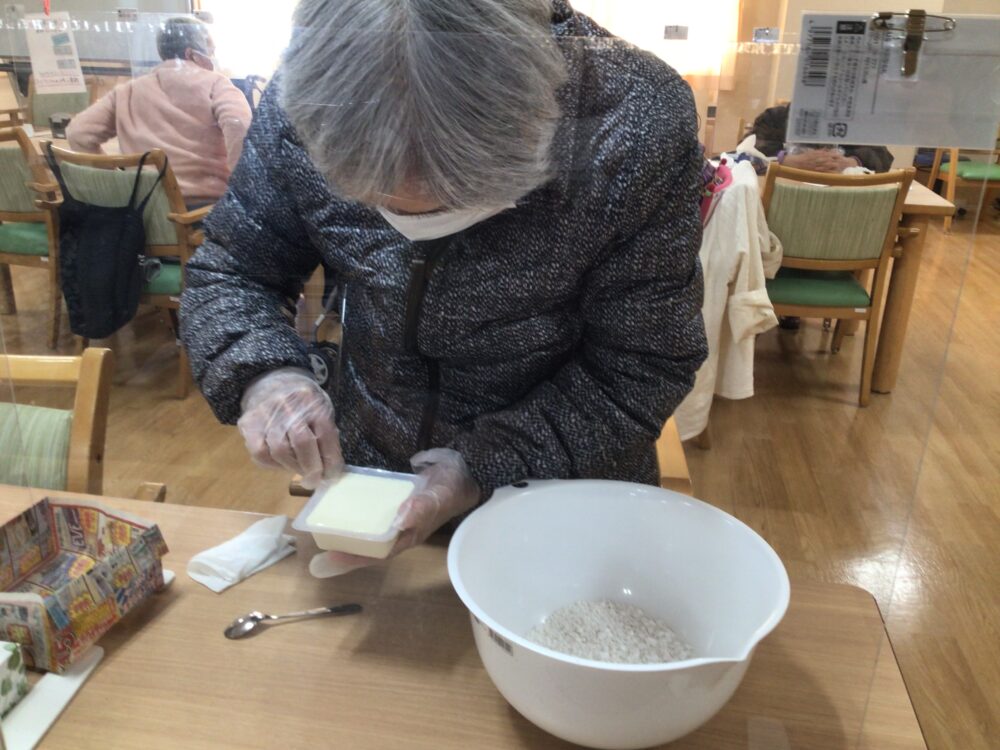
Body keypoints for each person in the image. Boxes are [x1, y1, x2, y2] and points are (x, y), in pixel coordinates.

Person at [180, 0, 707, 576]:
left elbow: (642, 362)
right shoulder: (310, 99)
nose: (405, 221)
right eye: (372, 201)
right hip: (376, 487)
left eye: (450, 203)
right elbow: (235, 268)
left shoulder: (635, 120)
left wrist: (485, 465)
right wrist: (264, 375)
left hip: (561, 494)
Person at [66, 17, 251, 207]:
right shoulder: (216, 84)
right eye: (211, 50)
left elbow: (78, 132)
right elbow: (240, 126)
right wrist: (242, 187)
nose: (213, 55)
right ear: (193, 54)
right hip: (203, 211)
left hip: (140, 211)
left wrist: (116, 180)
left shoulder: (127, 90)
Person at [749, 104, 894, 173]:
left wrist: (850, 163)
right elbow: (745, 153)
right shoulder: (774, 118)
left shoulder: (854, 122)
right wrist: (785, 160)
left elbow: (883, 157)